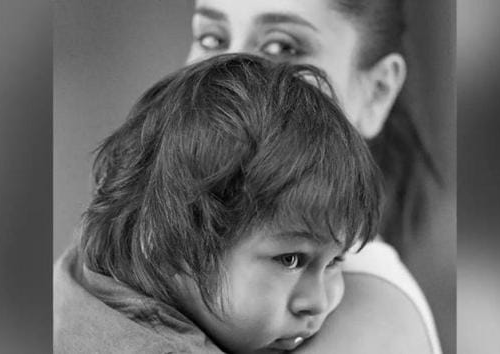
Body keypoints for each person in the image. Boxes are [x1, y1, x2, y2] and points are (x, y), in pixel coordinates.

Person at [54, 54, 383, 353]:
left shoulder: (79, 273)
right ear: (170, 240)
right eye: (291, 259)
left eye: (336, 260)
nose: (318, 302)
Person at [186, 0, 442, 353]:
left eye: (281, 47)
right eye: (212, 39)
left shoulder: (367, 321)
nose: (226, 78)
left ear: (377, 91)